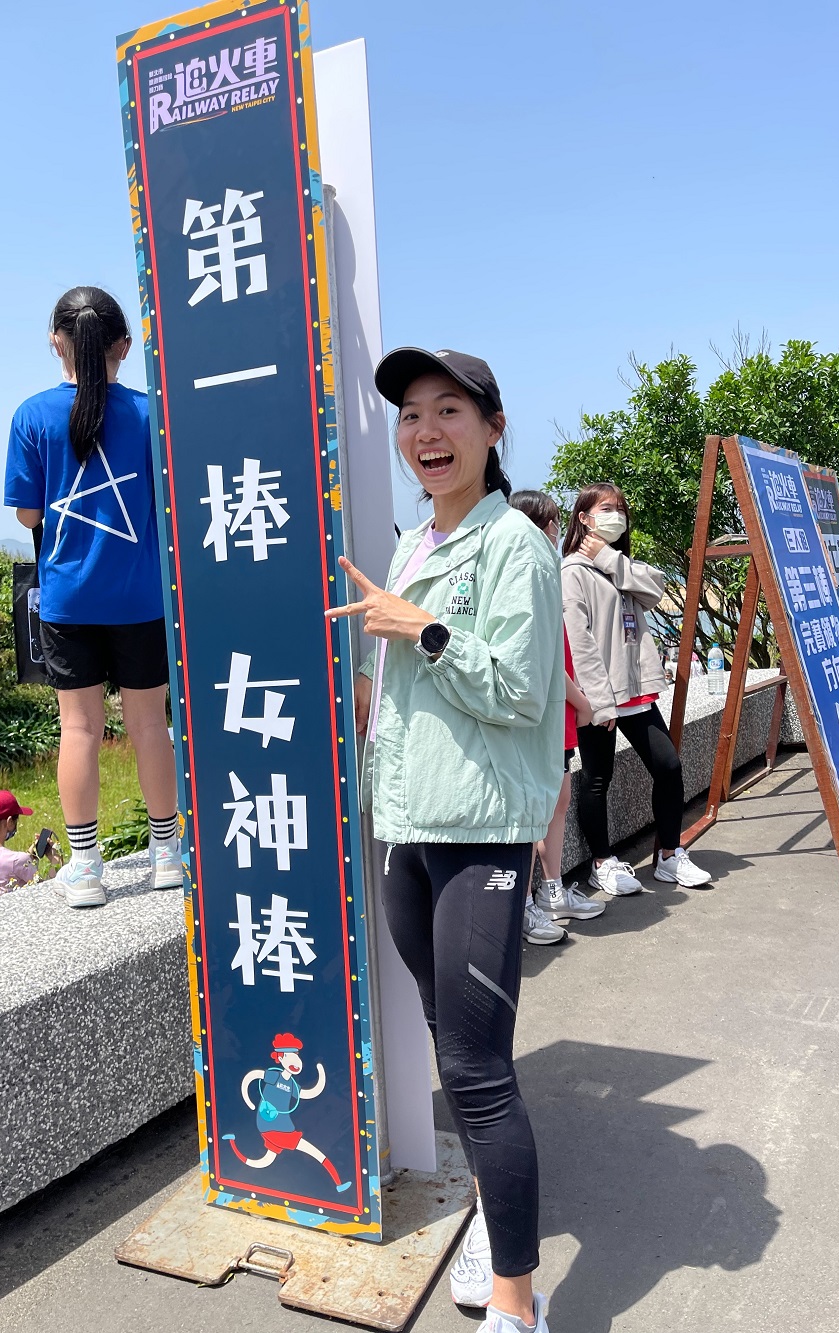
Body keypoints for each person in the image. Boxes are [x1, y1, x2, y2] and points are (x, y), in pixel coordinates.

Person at [327, 347, 564, 1333]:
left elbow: (522, 692)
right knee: (445, 1038)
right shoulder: (413, 545)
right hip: (406, 824)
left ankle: (516, 1302)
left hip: (479, 833)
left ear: (492, 429)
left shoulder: (517, 545)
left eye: (449, 410)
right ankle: (484, 1214)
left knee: (476, 1068)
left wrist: (423, 630)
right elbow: (399, 687)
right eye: (411, 415)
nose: (426, 432)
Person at [4, 286, 181, 908]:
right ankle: (167, 853)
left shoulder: (32, 415)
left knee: (78, 728)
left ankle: (84, 868)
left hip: (68, 601)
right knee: (150, 725)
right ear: (123, 346)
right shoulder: (152, 414)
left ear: (57, 342)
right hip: (142, 599)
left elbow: (28, 514)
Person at [561, 483, 712, 893]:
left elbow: (655, 589)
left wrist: (608, 557)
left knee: (669, 767)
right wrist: (597, 701)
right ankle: (602, 862)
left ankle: (669, 856)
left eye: (620, 509)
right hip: (599, 696)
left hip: (635, 691)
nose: (617, 516)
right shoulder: (572, 572)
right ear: (583, 518)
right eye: (606, 508)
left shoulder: (618, 564)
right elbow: (579, 641)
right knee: (597, 779)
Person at [509, 491, 606, 926]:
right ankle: (524, 905)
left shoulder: (545, 574)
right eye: (547, 523)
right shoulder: (524, 576)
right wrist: (582, 701)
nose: (554, 531)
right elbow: (542, 659)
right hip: (544, 712)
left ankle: (550, 892)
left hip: (557, 712)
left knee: (558, 800)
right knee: (537, 809)